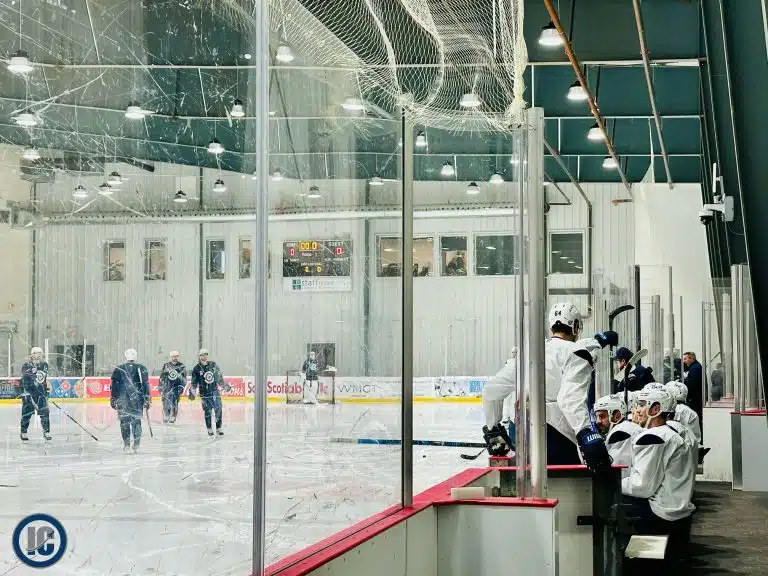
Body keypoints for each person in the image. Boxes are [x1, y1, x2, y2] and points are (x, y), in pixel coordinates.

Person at [482, 302, 618, 473]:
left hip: (528, 436)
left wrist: (493, 430)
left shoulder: (529, 354)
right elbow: (569, 400)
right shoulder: (577, 352)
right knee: (565, 484)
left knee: (535, 483)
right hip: (560, 436)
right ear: (576, 327)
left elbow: (491, 391)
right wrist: (586, 433)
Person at [621, 386, 696, 529]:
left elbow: (642, 486)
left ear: (656, 409)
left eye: (642, 405)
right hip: (676, 511)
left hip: (661, 513)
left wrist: (614, 483)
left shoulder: (653, 437)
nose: (637, 410)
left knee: (608, 504)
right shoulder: (670, 433)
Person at [110, 348, 150, 453]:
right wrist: (146, 398)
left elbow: (114, 385)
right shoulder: (142, 368)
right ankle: (136, 444)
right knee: (136, 422)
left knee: (124, 422)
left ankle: (126, 444)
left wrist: (113, 398)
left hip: (122, 400)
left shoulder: (119, 369)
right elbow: (145, 384)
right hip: (137, 400)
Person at [593, 393, 642, 477]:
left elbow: (619, 473)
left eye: (602, 416)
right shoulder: (627, 428)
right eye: (596, 417)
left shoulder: (621, 432)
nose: (598, 421)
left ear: (617, 416)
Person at [189, 349, 226, 436]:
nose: (204, 356)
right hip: (204, 393)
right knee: (207, 411)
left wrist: (224, 385)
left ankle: (218, 427)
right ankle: (209, 428)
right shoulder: (196, 368)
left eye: (205, 354)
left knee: (218, 409)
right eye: (202, 355)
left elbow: (219, 377)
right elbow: (194, 382)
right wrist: (192, 392)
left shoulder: (213, 365)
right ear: (199, 356)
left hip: (215, 391)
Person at [19, 347, 51, 441]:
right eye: (37, 353)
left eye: (41, 353)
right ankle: (23, 432)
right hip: (29, 394)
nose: (40, 355)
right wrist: (30, 391)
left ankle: (46, 431)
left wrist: (45, 388)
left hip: (41, 394)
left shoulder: (44, 365)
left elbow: (43, 379)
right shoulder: (26, 365)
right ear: (32, 355)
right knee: (27, 413)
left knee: (45, 412)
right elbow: (25, 380)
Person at [160, 350, 186, 424]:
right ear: (171, 357)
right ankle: (166, 414)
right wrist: (161, 386)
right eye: (174, 356)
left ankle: (173, 416)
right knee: (166, 401)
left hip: (176, 387)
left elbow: (184, 378)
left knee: (175, 401)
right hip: (167, 387)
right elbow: (162, 376)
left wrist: (182, 387)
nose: (175, 358)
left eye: (177, 356)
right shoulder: (166, 365)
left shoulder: (181, 366)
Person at [683, 352, 703, 423]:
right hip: (697, 396)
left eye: (685, 359)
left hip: (695, 397)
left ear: (691, 359)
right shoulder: (695, 366)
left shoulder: (695, 368)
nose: (684, 361)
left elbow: (692, 384)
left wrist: (684, 382)